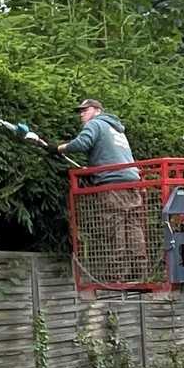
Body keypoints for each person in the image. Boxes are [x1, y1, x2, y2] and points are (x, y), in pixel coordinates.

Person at [59, 99, 148, 282]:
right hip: (132, 182)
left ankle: (117, 275)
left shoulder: (95, 124)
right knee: (133, 227)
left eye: (85, 110)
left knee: (114, 226)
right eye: (80, 111)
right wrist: (93, 170)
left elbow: (82, 143)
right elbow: (110, 155)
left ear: (97, 110)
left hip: (112, 184)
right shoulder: (116, 129)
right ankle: (141, 272)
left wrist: (60, 148)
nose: (81, 114)